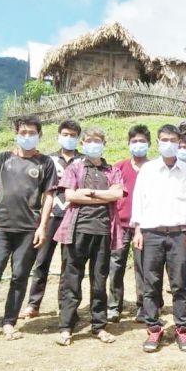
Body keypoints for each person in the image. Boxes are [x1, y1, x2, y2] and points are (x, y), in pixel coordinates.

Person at [0, 115, 57, 342]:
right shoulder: (2, 159)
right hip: (0, 228)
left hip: (28, 231)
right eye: (23, 133)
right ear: (16, 134)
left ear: (39, 135)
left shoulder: (45, 163)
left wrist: (42, 227)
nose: (27, 137)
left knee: (19, 276)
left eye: (32, 133)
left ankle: (8, 322)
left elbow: (49, 197)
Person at [53, 127, 123, 346]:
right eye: (89, 141)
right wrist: (103, 196)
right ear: (83, 144)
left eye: (98, 141)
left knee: (99, 279)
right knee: (71, 278)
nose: (94, 144)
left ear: (104, 144)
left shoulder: (111, 170)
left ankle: (99, 325)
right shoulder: (74, 168)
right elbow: (70, 195)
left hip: (103, 230)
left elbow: (117, 194)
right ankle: (66, 326)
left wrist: (89, 194)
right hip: (77, 230)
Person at [131, 124, 186, 353]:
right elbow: (138, 200)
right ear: (158, 142)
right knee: (151, 284)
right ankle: (153, 328)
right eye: (163, 139)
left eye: (172, 139)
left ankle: (182, 329)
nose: (168, 143)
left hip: (179, 233)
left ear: (179, 142)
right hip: (151, 234)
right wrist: (138, 230)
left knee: (179, 283)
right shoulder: (148, 170)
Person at [21, 119, 83, 319]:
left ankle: (63, 305)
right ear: (58, 136)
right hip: (51, 216)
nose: (69, 138)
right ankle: (33, 304)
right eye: (65, 134)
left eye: (73, 135)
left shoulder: (84, 161)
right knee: (41, 261)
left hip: (74, 217)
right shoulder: (47, 160)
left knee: (69, 263)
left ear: (78, 138)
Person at [108, 125, 151, 323]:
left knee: (143, 266)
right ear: (128, 144)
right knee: (116, 264)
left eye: (142, 141)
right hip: (121, 223)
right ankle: (114, 305)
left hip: (145, 225)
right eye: (134, 141)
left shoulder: (153, 168)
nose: (138, 144)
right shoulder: (119, 167)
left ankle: (143, 305)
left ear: (149, 144)